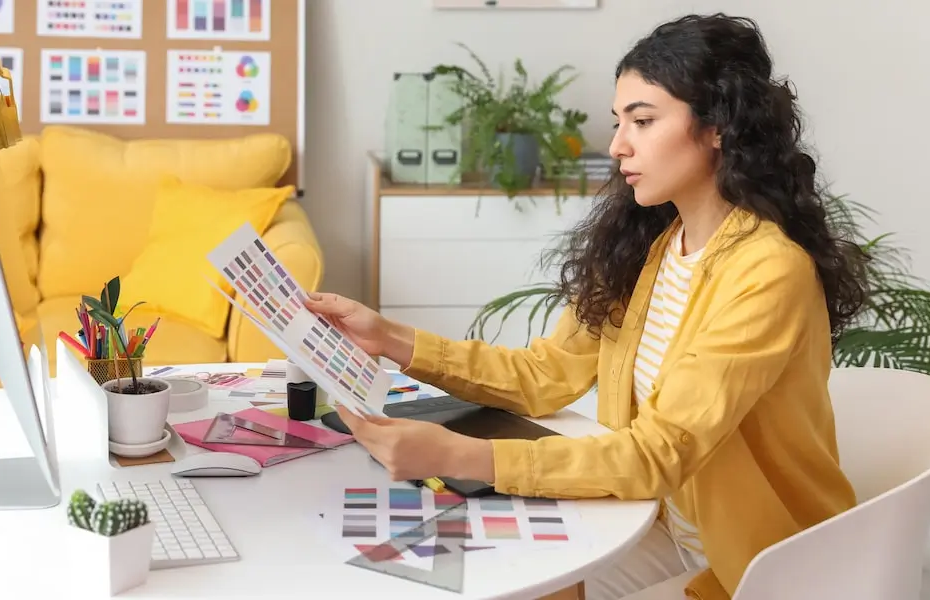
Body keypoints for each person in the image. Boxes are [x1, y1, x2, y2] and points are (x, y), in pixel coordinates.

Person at [305, 13, 870, 600]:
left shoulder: (767, 270)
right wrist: (390, 338)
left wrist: (464, 455)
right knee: (496, 576)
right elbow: (545, 374)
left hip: (755, 562)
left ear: (717, 128)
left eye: (643, 121)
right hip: (653, 522)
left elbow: (658, 453)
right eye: (619, 122)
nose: (618, 145)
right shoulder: (651, 250)